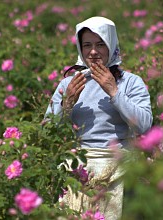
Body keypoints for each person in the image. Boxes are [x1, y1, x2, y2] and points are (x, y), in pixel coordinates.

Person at [45, 16, 153, 220]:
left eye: (100, 44)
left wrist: (114, 92)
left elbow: (144, 126)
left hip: (117, 170)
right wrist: (65, 105)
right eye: (87, 45)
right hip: (75, 170)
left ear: (111, 45)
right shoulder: (69, 84)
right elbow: (46, 130)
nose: (93, 52)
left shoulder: (130, 82)